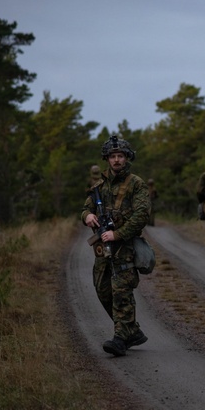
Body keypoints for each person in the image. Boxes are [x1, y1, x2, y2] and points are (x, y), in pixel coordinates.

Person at [80, 135, 152, 356]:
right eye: (113, 156)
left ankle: (120, 338)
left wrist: (117, 234)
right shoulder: (98, 187)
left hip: (125, 247)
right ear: (107, 159)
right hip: (103, 249)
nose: (117, 160)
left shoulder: (136, 184)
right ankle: (132, 331)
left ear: (127, 158)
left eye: (120, 156)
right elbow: (84, 208)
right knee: (103, 289)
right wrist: (88, 217)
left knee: (121, 291)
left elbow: (141, 215)